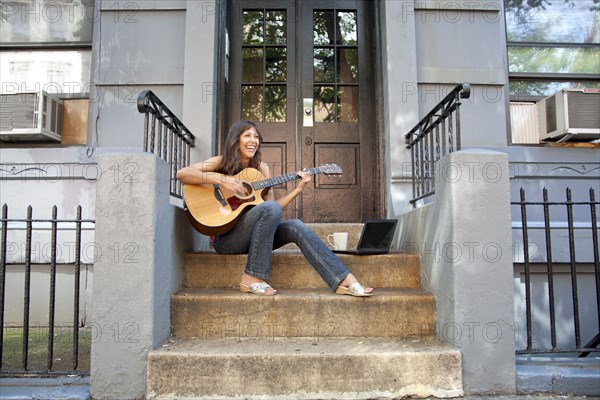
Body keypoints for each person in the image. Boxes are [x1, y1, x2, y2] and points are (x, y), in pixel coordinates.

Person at [176, 120, 373, 297]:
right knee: (269, 208)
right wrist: (223, 179)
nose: (253, 140)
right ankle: (252, 277)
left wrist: (298, 189)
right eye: (247, 135)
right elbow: (183, 173)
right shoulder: (221, 161)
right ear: (236, 140)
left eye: (256, 136)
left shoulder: (262, 169)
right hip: (227, 240)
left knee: (295, 225)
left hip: (255, 237)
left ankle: (343, 279)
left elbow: (273, 209)